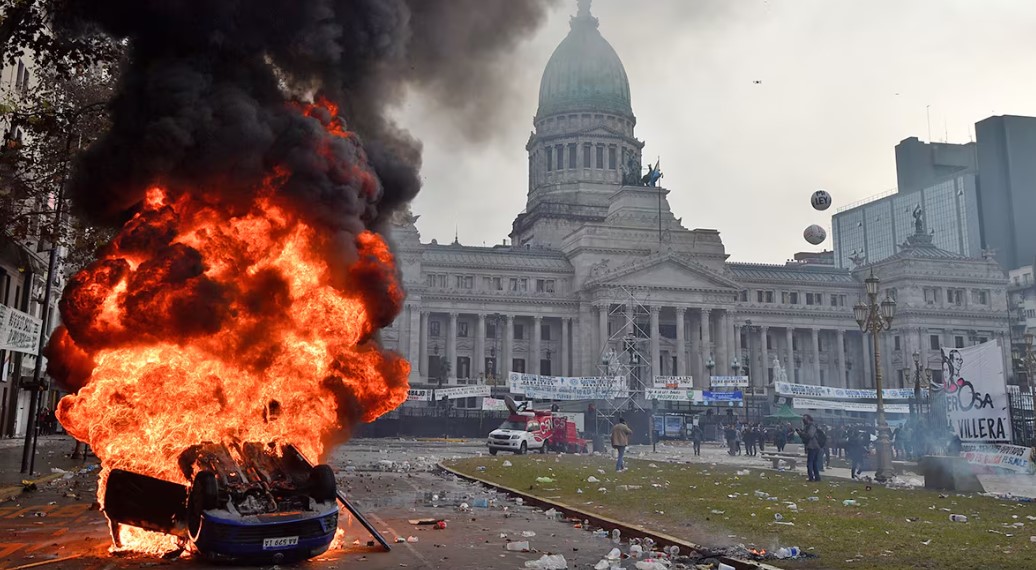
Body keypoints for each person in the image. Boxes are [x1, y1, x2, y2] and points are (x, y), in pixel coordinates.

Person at [796, 414, 822, 482]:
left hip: (813, 446)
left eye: (805, 419)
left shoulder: (812, 426)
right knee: (814, 463)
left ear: (809, 419)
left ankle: (811, 477)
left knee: (810, 463)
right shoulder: (808, 426)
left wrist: (801, 433)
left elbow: (810, 435)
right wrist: (800, 432)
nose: (804, 420)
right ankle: (817, 477)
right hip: (813, 446)